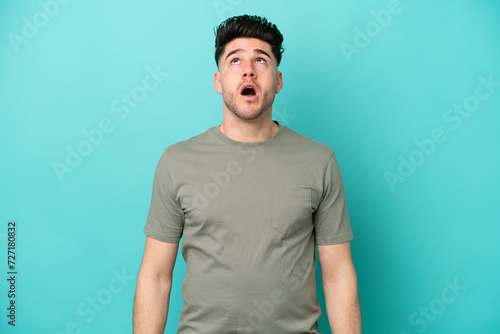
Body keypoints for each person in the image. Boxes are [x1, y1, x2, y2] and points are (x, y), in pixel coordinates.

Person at [133, 14, 361, 334]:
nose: (248, 69)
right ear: (218, 81)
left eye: (261, 60)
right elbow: (155, 277)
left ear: (278, 81)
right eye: (235, 60)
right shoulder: (176, 162)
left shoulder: (319, 161)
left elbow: (338, 275)